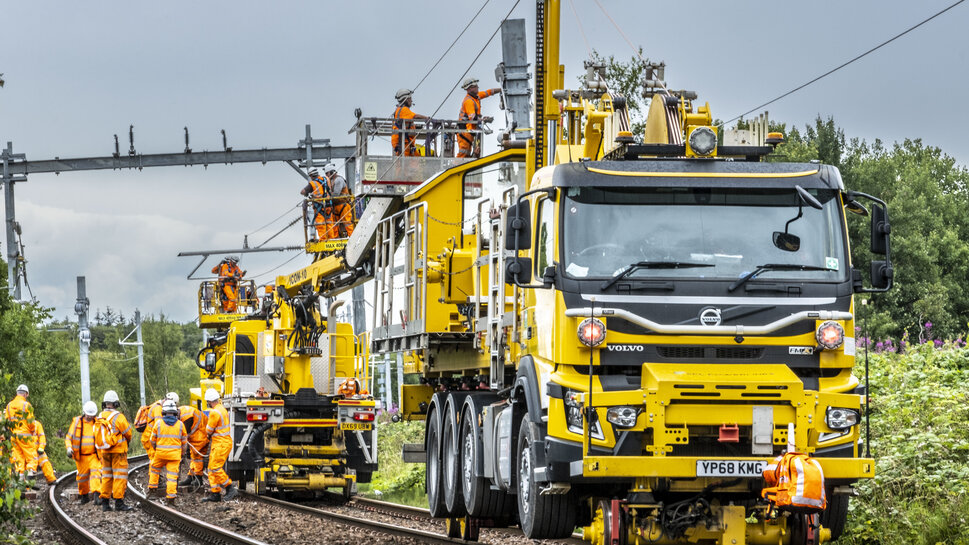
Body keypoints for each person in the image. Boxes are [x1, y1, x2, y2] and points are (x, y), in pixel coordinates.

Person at [96, 390, 134, 512]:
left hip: (105, 451)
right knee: (119, 476)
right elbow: (128, 432)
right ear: (116, 403)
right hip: (118, 452)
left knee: (106, 476)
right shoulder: (119, 417)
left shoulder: (100, 416)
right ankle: (119, 502)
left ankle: (105, 504)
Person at [146, 400, 187, 505]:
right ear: (175, 412)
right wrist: (182, 453)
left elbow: (152, 440)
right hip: (174, 456)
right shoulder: (181, 425)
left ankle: (152, 492)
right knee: (172, 476)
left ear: (163, 412)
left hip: (160, 454)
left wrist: (156, 449)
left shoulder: (158, 424)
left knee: (154, 470)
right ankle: (170, 498)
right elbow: (184, 443)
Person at [201, 388, 238, 502]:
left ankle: (230, 487)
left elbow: (209, 430)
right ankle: (215, 493)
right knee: (211, 469)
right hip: (221, 443)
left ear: (209, 401)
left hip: (220, 444)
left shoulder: (214, 412)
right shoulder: (222, 409)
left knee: (215, 468)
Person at [65, 401, 103, 505]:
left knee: (96, 473)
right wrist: (69, 448)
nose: (90, 417)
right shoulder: (77, 422)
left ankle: (97, 495)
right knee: (82, 479)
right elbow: (68, 437)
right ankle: (84, 496)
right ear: (84, 413)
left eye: (92, 415)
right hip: (81, 457)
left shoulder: (98, 423)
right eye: (88, 415)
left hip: (94, 455)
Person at [456, 78, 500, 158]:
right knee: (464, 152)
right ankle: (454, 167)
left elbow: (488, 92)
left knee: (467, 154)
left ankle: (461, 166)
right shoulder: (468, 101)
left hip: (468, 131)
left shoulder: (475, 97)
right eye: (475, 86)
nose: (478, 87)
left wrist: (501, 90)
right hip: (464, 131)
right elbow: (472, 118)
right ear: (469, 89)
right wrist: (483, 120)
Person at [4, 384, 37, 479]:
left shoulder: (9, 405)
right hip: (25, 436)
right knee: (31, 454)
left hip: (13, 436)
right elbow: (31, 421)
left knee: (18, 458)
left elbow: (6, 421)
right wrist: (33, 431)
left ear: (17, 393)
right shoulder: (27, 405)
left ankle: (20, 478)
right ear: (26, 394)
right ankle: (31, 471)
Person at [176, 403, 209, 490]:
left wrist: (182, 450)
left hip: (201, 433)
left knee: (197, 456)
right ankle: (191, 476)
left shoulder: (186, 417)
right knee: (194, 456)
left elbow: (183, 435)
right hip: (197, 432)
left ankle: (198, 478)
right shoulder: (181, 411)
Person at [392, 88, 429, 157]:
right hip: (402, 143)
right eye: (410, 98)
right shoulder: (404, 110)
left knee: (416, 160)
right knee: (402, 164)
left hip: (406, 142)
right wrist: (427, 118)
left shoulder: (400, 109)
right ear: (405, 99)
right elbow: (415, 116)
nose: (411, 100)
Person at [322, 163, 355, 240]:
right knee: (334, 224)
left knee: (348, 223)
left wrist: (327, 196)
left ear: (332, 172)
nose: (326, 175)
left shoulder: (338, 180)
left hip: (343, 205)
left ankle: (353, 238)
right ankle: (336, 238)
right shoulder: (331, 181)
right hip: (336, 206)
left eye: (327, 173)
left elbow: (336, 194)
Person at [300, 168, 330, 241]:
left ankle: (323, 240)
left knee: (320, 225)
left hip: (320, 207)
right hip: (329, 205)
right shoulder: (326, 179)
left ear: (311, 175)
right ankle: (332, 239)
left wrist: (308, 194)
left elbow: (302, 192)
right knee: (330, 224)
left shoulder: (313, 184)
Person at [33, 420, 56, 485]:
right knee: (30, 467)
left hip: (37, 449)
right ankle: (29, 485)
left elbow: (42, 436)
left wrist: (41, 447)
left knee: (45, 462)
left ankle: (51, 479)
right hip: (28, 450)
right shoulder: (21, 425)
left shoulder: (37, 424)